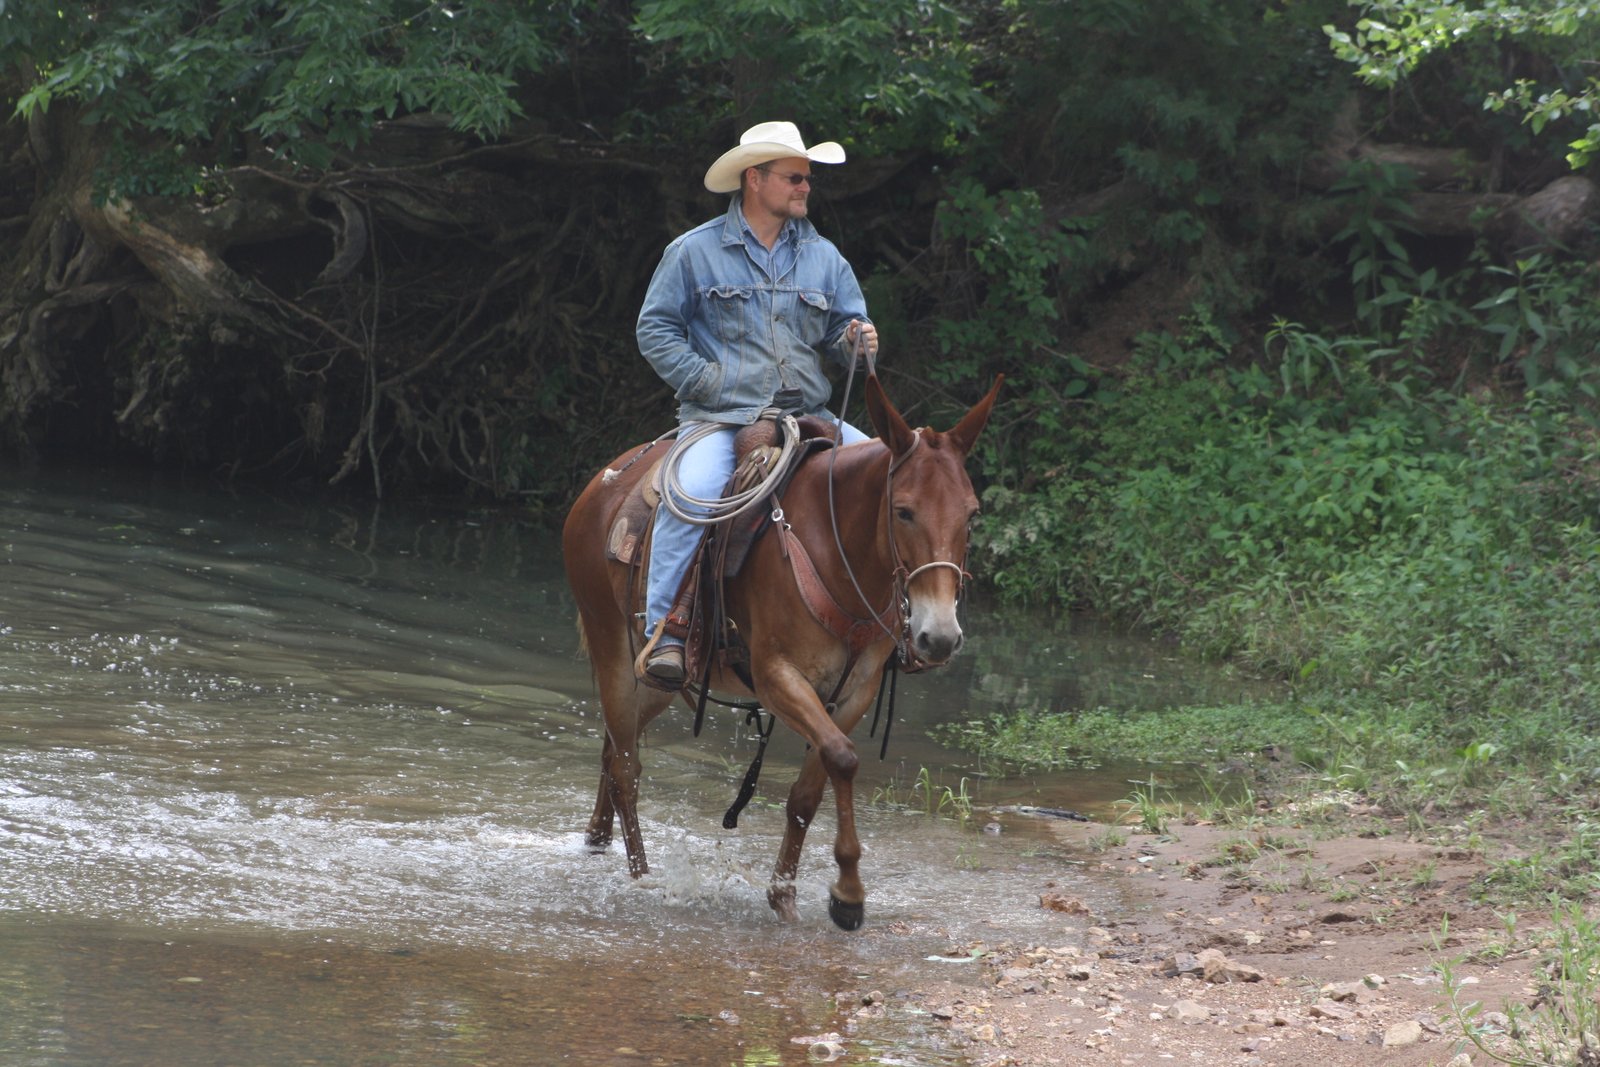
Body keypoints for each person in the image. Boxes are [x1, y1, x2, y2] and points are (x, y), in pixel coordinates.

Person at [635, 120, 880, 688]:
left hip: (811, 416)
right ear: (755, 178)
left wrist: (858, 341)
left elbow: (845, 333)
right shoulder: (692, 252)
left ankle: (896, 625)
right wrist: (710, 381)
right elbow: (656, 330)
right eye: (795, 177)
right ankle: (666, 632)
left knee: (891, 477)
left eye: (807, 178)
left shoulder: (825, 258)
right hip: (720, 419)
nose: (805, 187)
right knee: (690, 497)